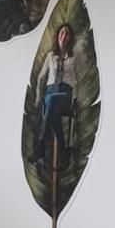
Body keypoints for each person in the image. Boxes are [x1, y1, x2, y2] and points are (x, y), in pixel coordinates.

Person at [32, 24, 78, 168]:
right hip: (51, 91)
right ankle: (63, 153)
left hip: (65, 94)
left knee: (51, 101)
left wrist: (75, 99)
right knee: (52, 109)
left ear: (70, 38)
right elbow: (41, 77)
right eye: (62, 33)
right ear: (58, 35)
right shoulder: (50, 56)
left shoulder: (73, 57)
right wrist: (38, 96)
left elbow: (76, 80)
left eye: (67, 34)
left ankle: (40, 148)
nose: (64, 36)